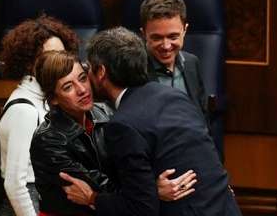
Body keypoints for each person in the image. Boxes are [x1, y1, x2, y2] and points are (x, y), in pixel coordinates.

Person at [59, 26, 241, 216]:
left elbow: (141, 208)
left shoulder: (122, 126)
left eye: (89, 68)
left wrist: (92, 197)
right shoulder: (174, 95)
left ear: (101, 72)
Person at [30, 50, 198, 216]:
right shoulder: (47, 139)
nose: (82, 89)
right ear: (53, 99)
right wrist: (151, 193)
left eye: (83, 78)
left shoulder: (105, 111)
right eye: (68, 87)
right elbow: (96, 185)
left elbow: (132, 165)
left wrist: (145, 191)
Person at [0, 14, 80, 216]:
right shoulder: (25, 109)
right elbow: (15, 185)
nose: (59, 62)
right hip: (26, 204)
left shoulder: (45, 96)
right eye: (49, 56)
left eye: (62, 54)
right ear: (28, 63)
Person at [139, 0, 224, 162]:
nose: (166, 46)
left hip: (197, 157)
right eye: (156, 37)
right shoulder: (135, 71)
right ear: (143, 33)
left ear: (185, 30)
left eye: (173, 36)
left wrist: (212, 160)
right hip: (159, 165)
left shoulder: (192, 63)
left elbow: (202, 120)